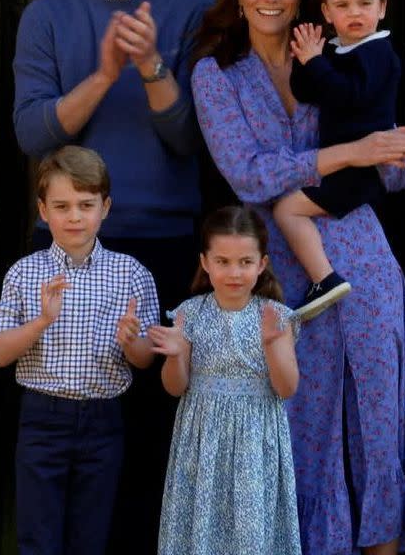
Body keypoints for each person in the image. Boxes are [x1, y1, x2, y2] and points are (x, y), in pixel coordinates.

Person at [190, 0, 405, 555]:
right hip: (281, 266)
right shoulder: (216, 74)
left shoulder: (338, 51)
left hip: (362, 246)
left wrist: (399, 154)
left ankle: (383, 545)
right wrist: (352, 152)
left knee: (379, 412)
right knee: (303, 421)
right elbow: (247, 173)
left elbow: (388, 158)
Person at [12, 0, 214, 550]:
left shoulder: (195, 12)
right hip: (67, 245)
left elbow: (190, 139)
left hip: (162, 242)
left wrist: (153, 65)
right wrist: (103, 74)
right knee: (64, 426)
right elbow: (34, 134)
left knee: (153, 426)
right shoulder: (48, 16)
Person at [0, 146, 160, 555]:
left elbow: (145, 359)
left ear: (106, 207)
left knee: (91, 536)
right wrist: (42, 321)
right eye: (62, 206)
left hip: (103, 421)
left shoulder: (131, 273)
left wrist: (130, 340)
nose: (75, 217)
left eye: (86, 205)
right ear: (43, 211)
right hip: (42, 419)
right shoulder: (25, 273)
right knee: (38, 536)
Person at [147, 206, 301, 555]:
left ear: (262, 264)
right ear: (205, 262)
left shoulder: (275, 317)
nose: (234, 272)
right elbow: (175, 387)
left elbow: (287, 388)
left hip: (255, 439)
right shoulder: (190, 313)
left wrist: (274, 346)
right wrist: (174, 354)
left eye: (245, 262)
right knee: (202, 527)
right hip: (203, 439)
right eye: (223, 261)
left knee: (250, 532)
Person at [273, 0, 401, 320]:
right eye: (343, 5)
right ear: (327, 13)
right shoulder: (337, 50)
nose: (355, 13)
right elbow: (307, 91)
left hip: (359, 170)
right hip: (342, 164)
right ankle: (385, 300)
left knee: (287, 209)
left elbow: (350, 96)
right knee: (358, 239)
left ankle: (324, 280)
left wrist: (317, 62)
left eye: (365, 3)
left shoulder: (378, 53)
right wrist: (306, 59)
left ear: (382, 7)